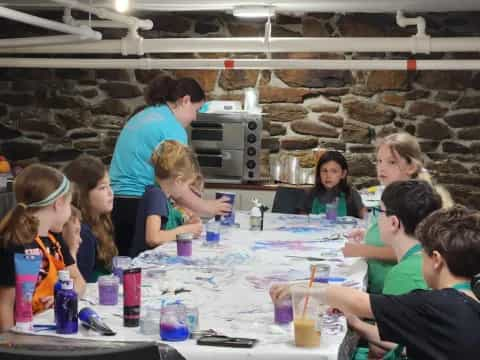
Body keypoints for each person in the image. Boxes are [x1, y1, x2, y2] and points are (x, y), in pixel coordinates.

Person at [270, 205, 480, 360]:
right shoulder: (468, 304)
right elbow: (406, 345)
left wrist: (300, 288)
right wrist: (356, 324)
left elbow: (358, 301)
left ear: (436, 260)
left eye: (422, 255)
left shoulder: (433, 305)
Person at [109, 75, 231, 256]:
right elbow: (176, 184)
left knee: (125, 261)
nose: (195, 117)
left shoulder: (146, 114)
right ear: (185, 100)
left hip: (117, 203)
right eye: (196, 110)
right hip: (137, 203)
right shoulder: (172, 128)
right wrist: (207, 207)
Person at [343, 132, 453, 294]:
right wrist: (368, 233)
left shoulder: (419, 200)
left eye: (391, 162)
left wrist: (361, 250)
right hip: (381, 286)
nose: (382, 167)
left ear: (411, 166)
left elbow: (414, 249)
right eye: (379, 161)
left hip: (401, 290)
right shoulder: (391, 194)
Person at [350, 180, 442, 359]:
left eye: (379, 212)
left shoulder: (403, 275)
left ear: (394, 223)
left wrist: (356, 325)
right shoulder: (427, 258)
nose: (376, 219)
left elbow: (385, 348)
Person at [0, 164, 86, 332]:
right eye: (69, 204)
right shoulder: (14, 244)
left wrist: (64, 296)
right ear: (58, 203)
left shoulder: (55, 239)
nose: (70, 211)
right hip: (24, 335)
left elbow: (79, 281)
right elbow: (4, 304)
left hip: (54, 325)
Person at [130, 140, 203, 257]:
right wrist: (187, 230)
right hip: (145, 266)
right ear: (178, 180)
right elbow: (153, 238)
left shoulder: (164, 197)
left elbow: (166, 232)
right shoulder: (156, 196)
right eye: (188, 185)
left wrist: (186, 226)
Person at [64, 155, 118, 283]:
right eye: (103, 188)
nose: (111, 192)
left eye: (110, 185)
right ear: (83, 194)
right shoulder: (82, 233)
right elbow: (82, 281)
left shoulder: (101, 221)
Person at [300, 150, 366, 219]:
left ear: (343, 174)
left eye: (334, 171)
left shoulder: (351, 195)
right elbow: (301, 220)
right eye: (324, 171)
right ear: (319, 173)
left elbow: (366, 218)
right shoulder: (309, 194)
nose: (328, 176)